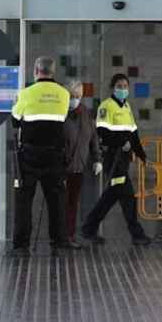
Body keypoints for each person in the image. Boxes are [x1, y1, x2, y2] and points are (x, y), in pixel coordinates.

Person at [9, 56, 77, 256]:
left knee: (24, 201)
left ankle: (22, 246)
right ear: (52, 72)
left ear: (36, 71)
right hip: (55, 155)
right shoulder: (64, 94)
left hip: (29, 155)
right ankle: (59, 241)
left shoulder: (26, 93)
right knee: (56, 200)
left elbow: (14, 120)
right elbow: (63, 118)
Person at [80, 74, 152, 246]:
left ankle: (88, 229)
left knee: (110, 197)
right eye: (119, 85)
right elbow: (103, 134)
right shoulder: (106, 107)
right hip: (114, 159)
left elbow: (133, 135)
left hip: (124, 160)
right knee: (128, 196)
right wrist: (122, 142)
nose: (123, 89)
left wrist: (142, 155)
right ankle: (137, 234)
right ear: (113, 87)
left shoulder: (126, 107)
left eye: (125, 86)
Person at [64, 80, 102, 248]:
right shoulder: (60, 113)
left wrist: (97, 159)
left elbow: (93, 138)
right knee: (61, 203)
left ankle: (69, 236)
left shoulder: (85, 113)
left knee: (72, 204)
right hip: (62, 166)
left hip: (79, 166)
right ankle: (60, 236)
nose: (75, 99)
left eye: (78, 96)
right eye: (72, 96)